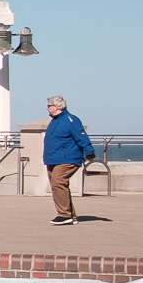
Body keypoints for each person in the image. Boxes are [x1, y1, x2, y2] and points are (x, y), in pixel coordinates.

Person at [42, 95, 94, 226]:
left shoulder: (70, 120)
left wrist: (89, 152)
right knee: (56, 185)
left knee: (59, 182)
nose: (47, 108)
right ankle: (70, 216)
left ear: (58, 107)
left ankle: (64, 215)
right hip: (53, 158)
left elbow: (81, 136)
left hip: (68, 158)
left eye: (49, 106)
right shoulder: (54, 121)